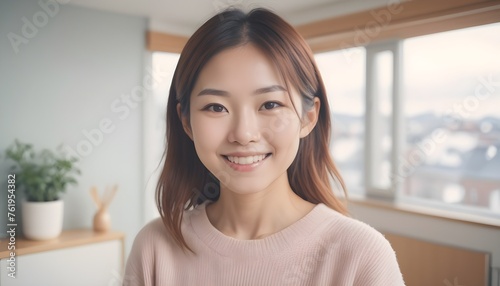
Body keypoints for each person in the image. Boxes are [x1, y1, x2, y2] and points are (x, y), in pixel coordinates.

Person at [124, 7, 405, 286]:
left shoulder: (361, 256)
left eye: (270, 104)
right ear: (186, 122)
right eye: (216, 107)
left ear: (308, 117)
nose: (244, 134)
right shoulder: (154, 249)